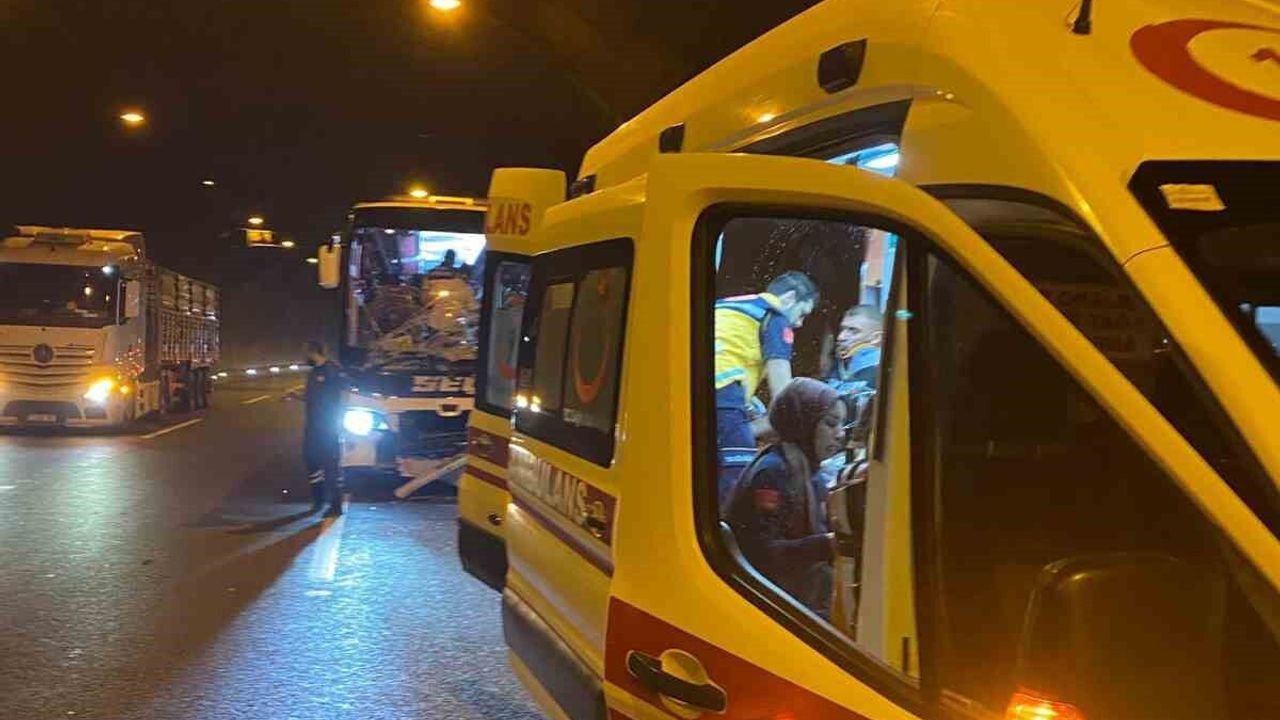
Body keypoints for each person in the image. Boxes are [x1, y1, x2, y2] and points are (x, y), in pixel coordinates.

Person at [723, 378, 849, 617]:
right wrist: (827, 545)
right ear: (804, 422)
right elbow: (762, 553)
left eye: (842, 424)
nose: (840, 434)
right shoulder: (774, 472)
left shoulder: (810, 471)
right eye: (830, 423)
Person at [713, 271, 819, 503]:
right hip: (724, 391)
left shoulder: (729, 306)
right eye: (802, 313)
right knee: (739, 475)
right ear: (789, 298)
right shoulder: (776, 317)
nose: (799, 323)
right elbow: (783, 393)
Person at [301, 340, 345, 516]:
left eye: (306, 352)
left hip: (327, 425)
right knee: (311, 461)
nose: (304, 356)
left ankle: (335, 505)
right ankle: (318, 500)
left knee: (330, 464)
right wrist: (296, 396)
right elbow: (312, 397)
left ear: (313, 352)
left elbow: (337, 396)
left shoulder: (331, 370)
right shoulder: (314, 371)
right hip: (313, 425)